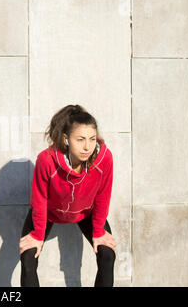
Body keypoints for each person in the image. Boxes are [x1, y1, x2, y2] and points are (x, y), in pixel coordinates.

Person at [19, 104, 117, 287]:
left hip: (86, 212)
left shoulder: (104, 159)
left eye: (92, 139)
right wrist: (38, 236)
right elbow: (39, 199)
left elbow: (103, 195)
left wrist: (98, 232)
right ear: (66, 139)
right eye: (80, 139)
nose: (87, 146)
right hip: (48, 212)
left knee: (107, 254)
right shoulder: (46, 160)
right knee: (28, 257)